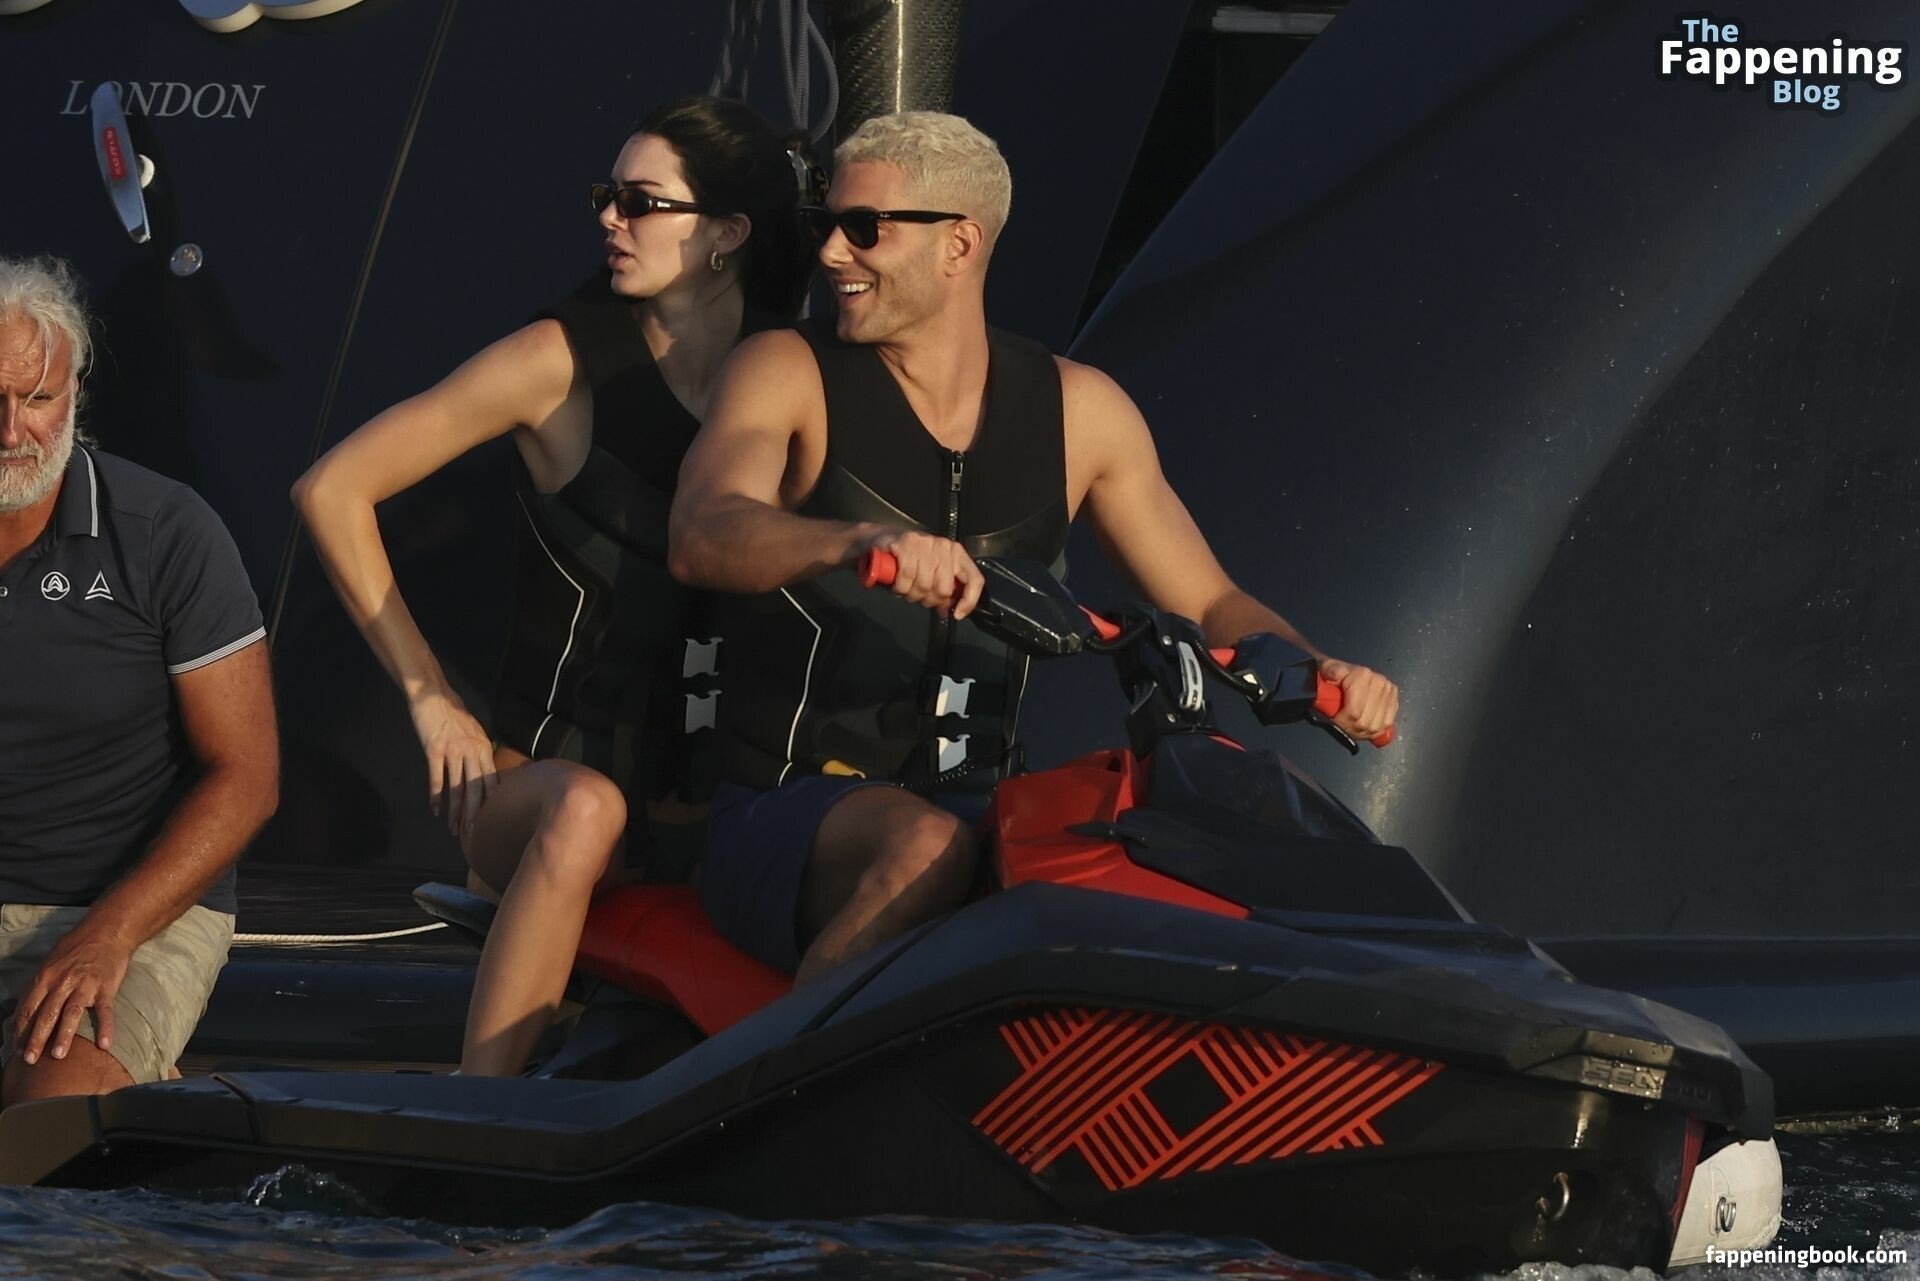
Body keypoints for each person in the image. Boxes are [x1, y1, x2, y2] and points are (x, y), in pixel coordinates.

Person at [669, 112, 1401, 987]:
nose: (831, 253)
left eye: (864, 228)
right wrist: (859, 540)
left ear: (959, 243)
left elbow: (1210, 603)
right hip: (782, 808)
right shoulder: (784, 369)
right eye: (827, 225)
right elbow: (703, 529)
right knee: (928, 847)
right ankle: (789, 1072)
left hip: (983, 809)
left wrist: (1325, 672)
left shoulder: (1082, 411)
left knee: (1138, 873)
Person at [293, 97, 817, 1077]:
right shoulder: (558, 360)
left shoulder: (790, 369)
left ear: (728, 234)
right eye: (605, 197)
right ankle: (478, 1111)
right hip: (540, 790)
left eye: (640, 202)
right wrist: (430, 698)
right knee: (587, 809)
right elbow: (332, 489)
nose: (610, 219)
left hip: (717, 806)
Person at [0, 256, 278, 1106]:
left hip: (130, 908)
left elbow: (249, 776)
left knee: (51, 1127)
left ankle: (127, 1089)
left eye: (37, 397)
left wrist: (109, 933)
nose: (11, 428)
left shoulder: (165, 533)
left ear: (75, 394)